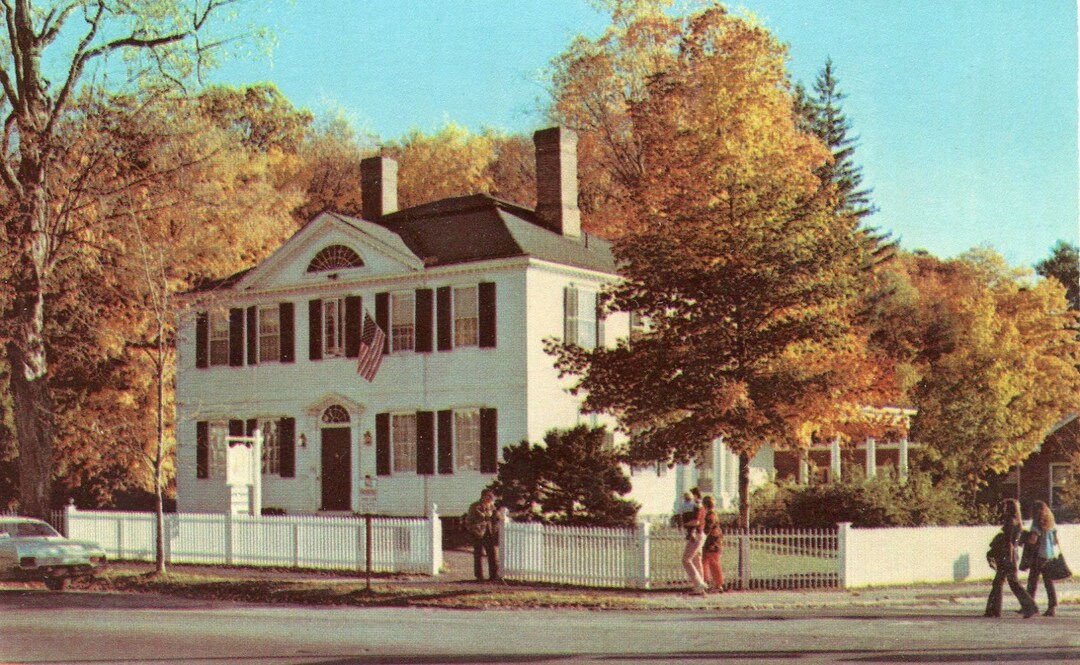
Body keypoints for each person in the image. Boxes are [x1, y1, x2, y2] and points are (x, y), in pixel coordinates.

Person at [984, 498, 1038, 618]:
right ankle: (993, 610)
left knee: (1008, 582)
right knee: (1001, 582)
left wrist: (1007, 558)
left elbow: (1008, 542)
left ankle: (1029, 607)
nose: (1002, 509)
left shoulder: (1010, 521)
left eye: (1005, 507)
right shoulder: (1018, 522)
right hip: (1012, 555)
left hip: (1007, 555)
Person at [1025, 500, 1060, 616]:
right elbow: (1055, 541)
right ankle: (1052, 606)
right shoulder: (1051, 523)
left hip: (1039, 555)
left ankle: (1029, 606)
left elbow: (1033, 540)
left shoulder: (1037, 523)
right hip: (1049, 555)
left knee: (1032, 581)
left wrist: (1025, 537)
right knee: (1048, 582)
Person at [464, 489, 500, 582]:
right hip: (478, 533)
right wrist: (474, 530)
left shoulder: (492, 507)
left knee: (492, 554)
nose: (490, 498)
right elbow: (468, 521)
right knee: (478, 555)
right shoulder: (475, 506)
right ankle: (479, 576)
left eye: (491, 496)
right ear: (483, 496)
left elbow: (496, 519)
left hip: (489, 533)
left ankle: (493, 576)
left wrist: (495, 528)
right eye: (488, 496)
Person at [681, 487, 707, 595]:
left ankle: (699, 583)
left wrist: (685, 524)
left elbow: (696, 522)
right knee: (697, 560)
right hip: (700, 534)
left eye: (690, 495)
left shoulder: (697, 507)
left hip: (696, 535)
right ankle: (700, 588)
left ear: (695, 495)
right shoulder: (699, 506)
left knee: (686, 560)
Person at [701, 495, 724, 592]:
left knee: (713, 564)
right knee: (705, 563)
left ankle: (718, 585)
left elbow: (707, 529)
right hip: (712, 542)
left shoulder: (710, 515)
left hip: (712, 543)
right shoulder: (712, 514)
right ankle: (704, 583)